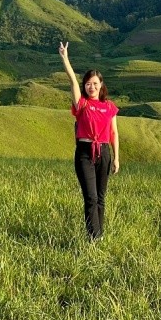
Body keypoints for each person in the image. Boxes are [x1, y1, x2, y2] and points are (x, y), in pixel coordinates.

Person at [58, 41, 120, 240]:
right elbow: (72, 82)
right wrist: (65, 58)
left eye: (95, 83)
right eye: (88, 83)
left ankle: (99, 235)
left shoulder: (109, 106)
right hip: (85, 152)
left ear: (101, 85)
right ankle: (94, 237)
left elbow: (114, 133)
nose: (91, 86)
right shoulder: (82, 103)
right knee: (91, 197)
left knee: (101, 198)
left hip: (104, 152)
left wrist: (116, 158)